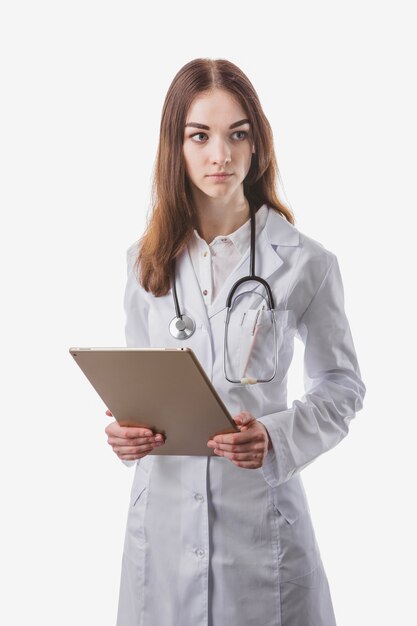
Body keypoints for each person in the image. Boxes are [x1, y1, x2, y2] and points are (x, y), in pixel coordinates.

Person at [104, 58, 366, 626]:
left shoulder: (305, 262)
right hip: (164, 531)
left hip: (261, 530)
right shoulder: (143, 263)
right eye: (200, 135)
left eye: (237, 134)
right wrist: (128, 434)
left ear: (258, 145)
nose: (220, 155)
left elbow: (342, 387)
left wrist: (275, 437)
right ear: (176, 145)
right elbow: (141, 390)